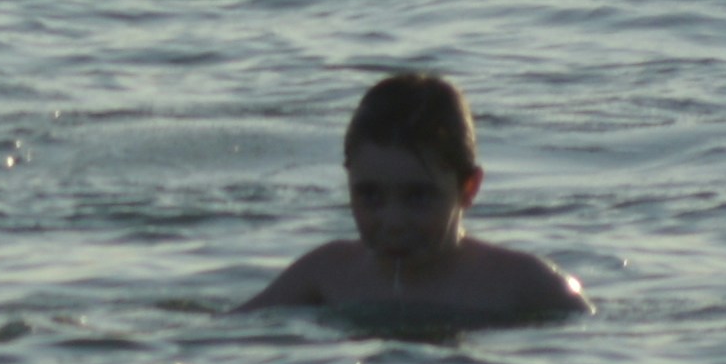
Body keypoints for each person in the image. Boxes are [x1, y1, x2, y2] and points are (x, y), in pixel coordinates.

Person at [249, 68, 588, 327]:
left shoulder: (524, 286)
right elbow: (227, 332)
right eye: (369, 195)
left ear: (468, 189)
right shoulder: (325, 275)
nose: (393, 221)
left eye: (418, 197)